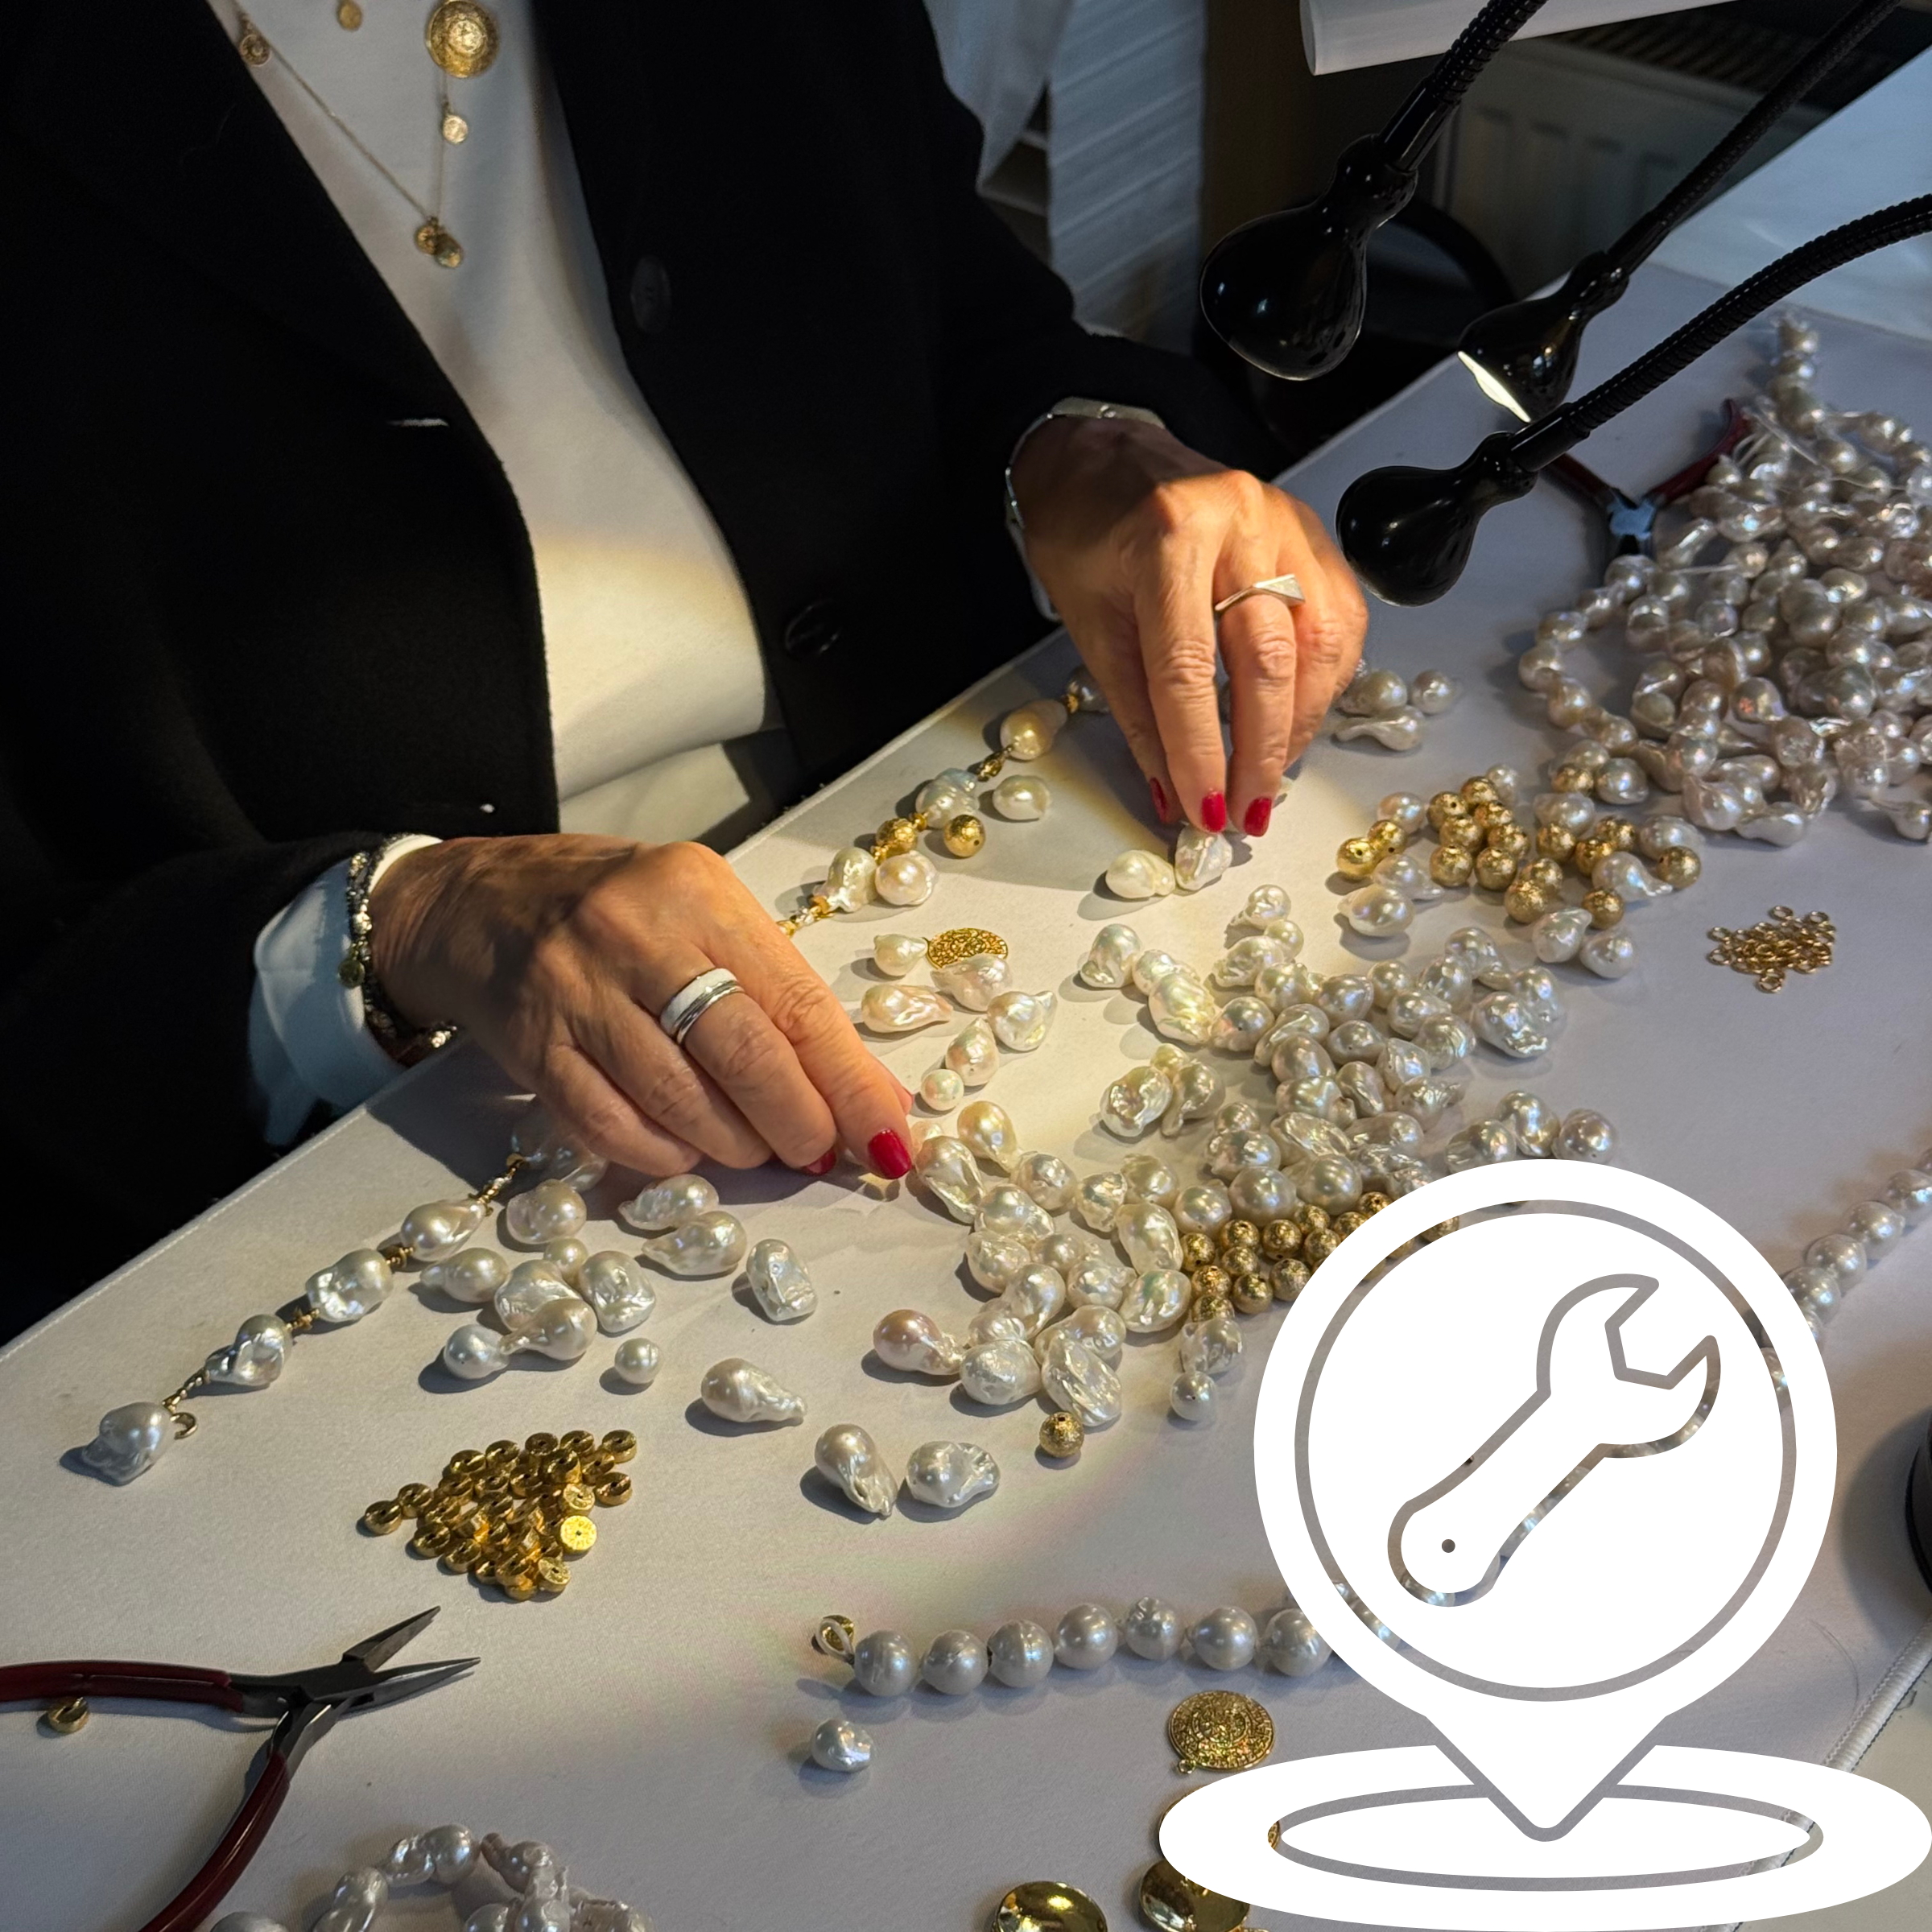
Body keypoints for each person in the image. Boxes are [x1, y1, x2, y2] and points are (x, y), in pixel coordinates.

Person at [0, 0, 1364, 1333]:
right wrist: (403, 923)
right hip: (386, 1158)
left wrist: (1075, 442)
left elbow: (947, 293)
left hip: (937, 859)